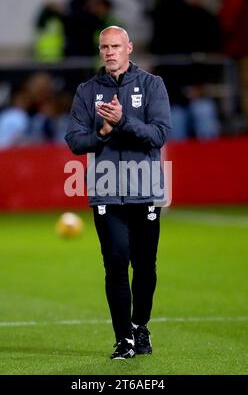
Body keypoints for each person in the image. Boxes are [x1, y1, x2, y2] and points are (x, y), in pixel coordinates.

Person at [65, 26, 171, 360]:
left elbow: (158, 135)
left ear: (129, 48)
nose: (110, 52)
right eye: (104, 47)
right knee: (115, 263)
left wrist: (123, 121)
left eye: (115, 46)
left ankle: (140, 325)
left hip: (143, 190)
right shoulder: (87, 91)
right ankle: (123, 339)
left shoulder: (153, 85)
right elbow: (75, 141)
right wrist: (103, 131)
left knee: (144, 266)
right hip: (106, 191)